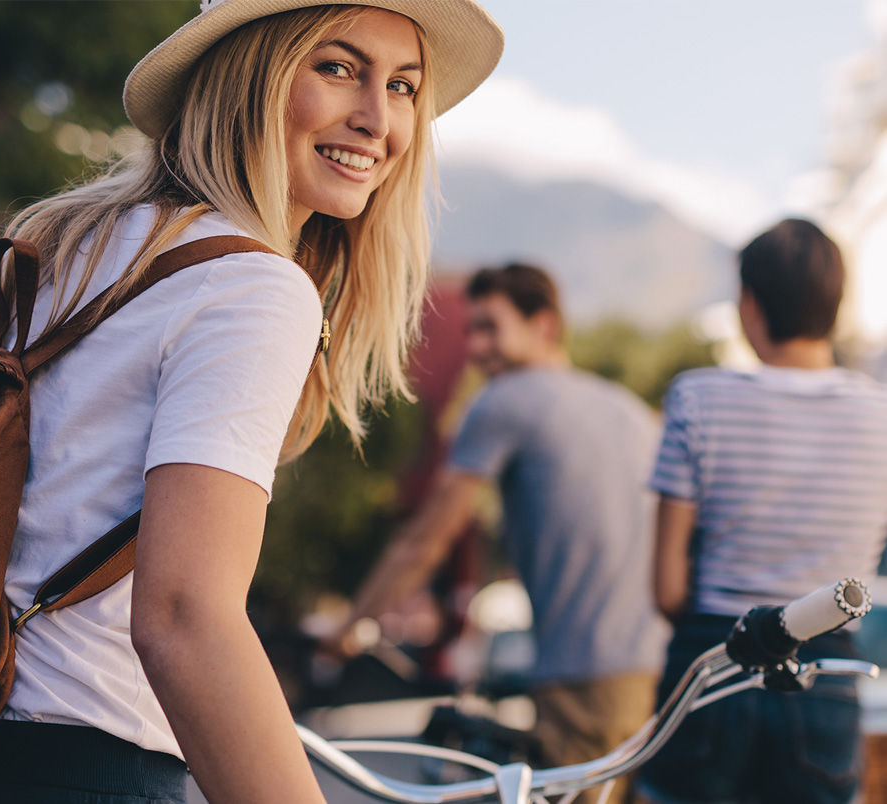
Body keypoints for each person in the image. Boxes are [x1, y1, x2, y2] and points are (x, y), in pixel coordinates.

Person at [0, 2, 504, 803]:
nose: (376, 119)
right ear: (249, 74)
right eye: (337, 68)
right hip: (77, 766)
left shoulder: (51, 240)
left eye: (402, 86)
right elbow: (184, 617)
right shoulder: (255, 288)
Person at [330, 262, 670, 803]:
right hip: (658, 674)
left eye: (491, 327)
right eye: (471, 329)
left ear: (545, 326)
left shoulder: (503, 400)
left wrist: (346, 630)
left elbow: (427, 539)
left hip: (584, 679)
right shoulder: (627, 408)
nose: (476, 346)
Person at [637, 218, 887, 804]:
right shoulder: (881, 418)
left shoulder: (697, 397)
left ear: (748, 305)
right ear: (837, 306)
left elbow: (667, 587)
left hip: (713, 661)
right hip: (826, 668)